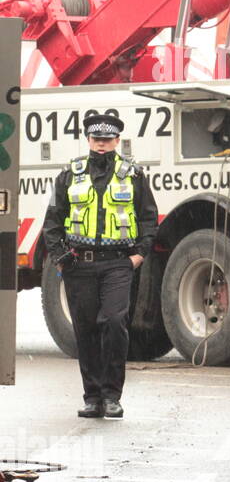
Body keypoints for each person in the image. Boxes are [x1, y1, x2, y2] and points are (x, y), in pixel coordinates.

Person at [41, 112, 158, 419]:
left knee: (115, 322)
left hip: (118, 264)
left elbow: (148, 217)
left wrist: (140, 254)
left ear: (117, 140)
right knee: (86, 329)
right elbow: (52, 222)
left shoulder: (133, 175)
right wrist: (61, 260)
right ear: (89, 140)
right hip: (80, 265)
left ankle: (112, 395)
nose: (102, 146)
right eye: (97, 140)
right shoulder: (69, 174)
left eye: (107, 140)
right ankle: (92, 397)